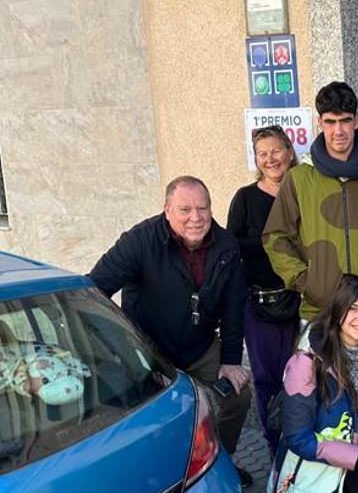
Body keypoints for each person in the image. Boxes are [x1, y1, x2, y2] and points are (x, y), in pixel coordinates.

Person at [88, 176, 253, 487]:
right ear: (167, 210)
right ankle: (161, 475)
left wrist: (231, 359)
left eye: (203, 209)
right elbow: (95, 292)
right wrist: (121, 346)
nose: (196, 218)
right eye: (185, 210)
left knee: (238, 396)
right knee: (151, 418)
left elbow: (234, 307)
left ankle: (221, 459)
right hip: (148, 352)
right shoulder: (139, 240)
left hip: (200, 345)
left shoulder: (226, 246)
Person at [263, 81, 358, 324]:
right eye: (330, 121)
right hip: (320, 312)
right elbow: (275, 237)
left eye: (345, 120)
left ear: (356, 121)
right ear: (320, 123)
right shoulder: (300, 178)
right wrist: (308, 283)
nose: (338, 131)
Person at [268, 274, 358, 493]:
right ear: (337, 312)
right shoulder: (305, 363)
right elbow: (298, 439)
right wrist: (357, 455)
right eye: (353, 308)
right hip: (316, 464)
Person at [227, 125, 300, 452]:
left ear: (289, 150)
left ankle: (304, 443)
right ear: (256, 159)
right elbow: (231, 246)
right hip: (260, 304)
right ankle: (276, 449)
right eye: (263, 153)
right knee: (267, 379)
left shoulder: (303, 190)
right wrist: (276, 242)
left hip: (302, 301)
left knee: (304, 377)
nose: (270, 159)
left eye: (276, 151)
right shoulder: (245, 197)